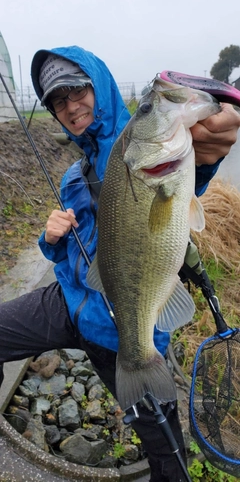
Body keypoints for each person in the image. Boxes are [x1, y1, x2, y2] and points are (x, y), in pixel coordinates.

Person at [0, 46, 239, 482]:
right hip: (70, 301)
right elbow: (73, 250)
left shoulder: (134, 149)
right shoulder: (74, 175)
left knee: (165, 448)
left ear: (100, 88)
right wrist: (49, 241)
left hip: (121, 322)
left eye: (77, 91)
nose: (70, 107)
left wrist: (210, 149)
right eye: (58, 100)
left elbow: (192, 168)